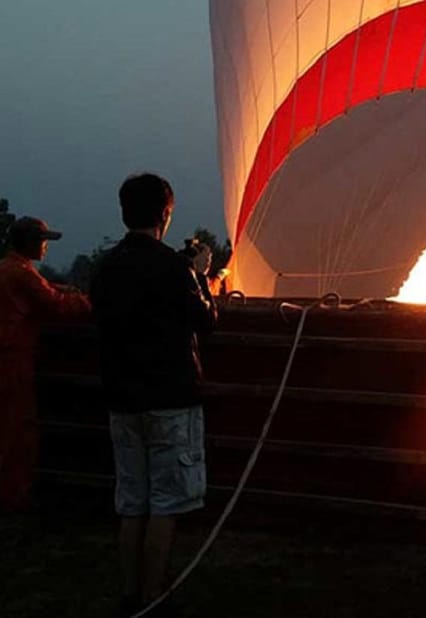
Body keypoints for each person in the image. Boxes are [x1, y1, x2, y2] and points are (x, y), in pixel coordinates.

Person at [90, 173, 217, 614]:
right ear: (166, 213)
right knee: (165, 502)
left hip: (122, 401)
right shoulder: (175, 268)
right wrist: (200, 275)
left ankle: (128, 594)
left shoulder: (104, 268)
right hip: (171, 399)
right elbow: (205, 322)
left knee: (131, 502)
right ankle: (153, 596)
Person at [0, 217, 90, 511]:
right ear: (30, 242)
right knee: (17, 431)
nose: (46, 247)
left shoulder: (11, 268)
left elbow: (47, 288)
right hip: (12, 361)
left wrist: (66, 289)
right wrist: (90, 302)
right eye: (43, 240)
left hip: (11, 357)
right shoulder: (22, 274)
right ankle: (14, 498)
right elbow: (57, 305)